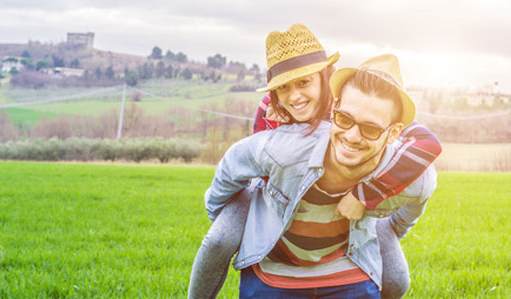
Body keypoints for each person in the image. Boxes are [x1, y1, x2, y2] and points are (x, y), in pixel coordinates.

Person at [189, 24, 441, 298]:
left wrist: (371, 197)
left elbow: (427, 146)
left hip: (352, 203)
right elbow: (248, 161)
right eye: (283, 87)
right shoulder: (270, 111)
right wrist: (225, 212)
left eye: (304, 82)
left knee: (397, 279)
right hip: (271, 195)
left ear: (325, 79)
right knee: (218, 239)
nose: (294, 96)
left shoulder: (366, 105)